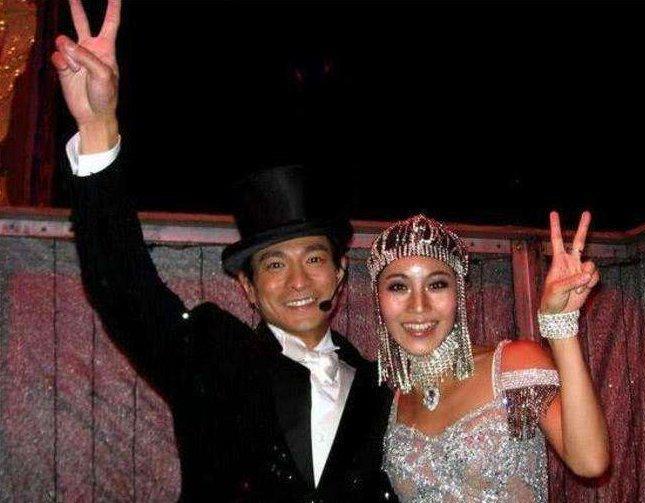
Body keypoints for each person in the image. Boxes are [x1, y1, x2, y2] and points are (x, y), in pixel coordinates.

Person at [52, 0, 395, 500]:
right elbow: (121, 287)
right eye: (274, 264)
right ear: (248, 288)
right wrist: (98, 125)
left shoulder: (382, 390)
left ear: (341, 273)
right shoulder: (211, 355)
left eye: (314, 258)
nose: (298, 281)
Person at [366, 213, 610, 502]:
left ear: (459, 292)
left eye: (437, 284)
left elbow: (590, 462)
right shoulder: (389, 400)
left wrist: (560, 325)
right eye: (398, 286)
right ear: (377, 297)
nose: (419, 306)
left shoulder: (512, 365)